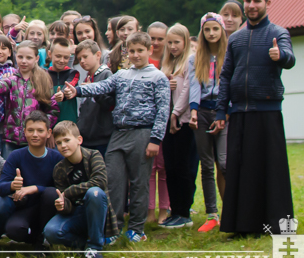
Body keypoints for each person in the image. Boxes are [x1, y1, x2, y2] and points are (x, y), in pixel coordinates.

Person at [66, 31, 170, 242]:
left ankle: (137, 229)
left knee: (139, 182)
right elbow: (102, 86)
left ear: (149, 50)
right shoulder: (122, 75)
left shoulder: (158, 77)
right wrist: (78, 91)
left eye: (140, 51)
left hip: (143, 133)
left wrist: (155, 139)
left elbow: (163, 110)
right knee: (112, 181)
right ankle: (113, 228)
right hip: (119, 133)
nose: (136, 55)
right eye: (131, 51)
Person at [216, 0, 295, 236]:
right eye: (248, 0)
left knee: (272, 171)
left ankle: (277, 226)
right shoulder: (235, 39)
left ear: (267, 3)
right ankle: (242, 226)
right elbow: (225, 76)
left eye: (257, 1)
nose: (251, 5)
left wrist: (281, 56)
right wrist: (221, 111)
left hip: (267, 112)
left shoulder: (278, 33)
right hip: (239, 112)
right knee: (240, 172)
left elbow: (290, 58)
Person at [44, 121, 116, 258]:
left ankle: (95, 248)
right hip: (76, 214)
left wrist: (70, 191)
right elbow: (67, 202)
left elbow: (100, 182)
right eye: (59, 143)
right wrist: (63, 205)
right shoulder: (59, 169)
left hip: (96, 211)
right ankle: (84, 245)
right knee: (50, 231)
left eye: (67, 140)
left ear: (79, 140)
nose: (63, 145)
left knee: (94, 193)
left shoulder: (94, 156)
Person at [0, 111, 64, 250]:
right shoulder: (16, 156)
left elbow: (61, 189)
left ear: (48, 133)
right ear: (24, 132)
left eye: (40, 131)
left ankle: (42, 243)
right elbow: (0, 188)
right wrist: (12, 185)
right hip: (25, 208)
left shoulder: (57, 158)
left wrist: (35, 188)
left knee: (51, 193)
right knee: (14, 230)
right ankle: (35, 237)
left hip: (49, 208)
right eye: (30, 130)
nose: (35, 135)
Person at [0, 41, 58, 158]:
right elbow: (1, 85)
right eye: (20, 57)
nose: (24, 61)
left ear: (36, 59)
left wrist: (43, 128)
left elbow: (53, 109)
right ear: (15, 56)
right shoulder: (12, 78)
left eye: (29, 58)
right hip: (11, 139)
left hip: (34, 139)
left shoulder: (43, 80)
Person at [188, 13, 228, 232]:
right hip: (202, 111)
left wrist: (225, 112)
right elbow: (195, 85)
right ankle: (212, 214)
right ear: (202, 32)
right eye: (207, 30)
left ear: (221, 30)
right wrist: (193, 111)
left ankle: (231, 209)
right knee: (206, 164)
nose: (211, 33)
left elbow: (231, 85)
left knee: (224, 162)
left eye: (215, 29)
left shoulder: (229, 55)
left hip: (223, 112)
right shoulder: (195, 58)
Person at [160, 23, 195, 229]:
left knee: (183, 167)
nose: (173, 46)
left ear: (185, 42)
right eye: (170, 42)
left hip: (183, 120)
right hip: (168, 120)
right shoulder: (167, 64)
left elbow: (188, 90)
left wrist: (176, 113)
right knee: (170, 167)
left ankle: (184, 211)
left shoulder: (190, 61)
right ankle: (175, 210)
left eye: (177, 42)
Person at [73, 40, 114, 156]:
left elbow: (110, 104)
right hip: (86, 137)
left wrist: (93, 91)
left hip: (101, 138)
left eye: (85, 57)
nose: (82, 61)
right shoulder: (87, 77)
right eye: (79, 59)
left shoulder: (106, 75)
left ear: (98, 55)